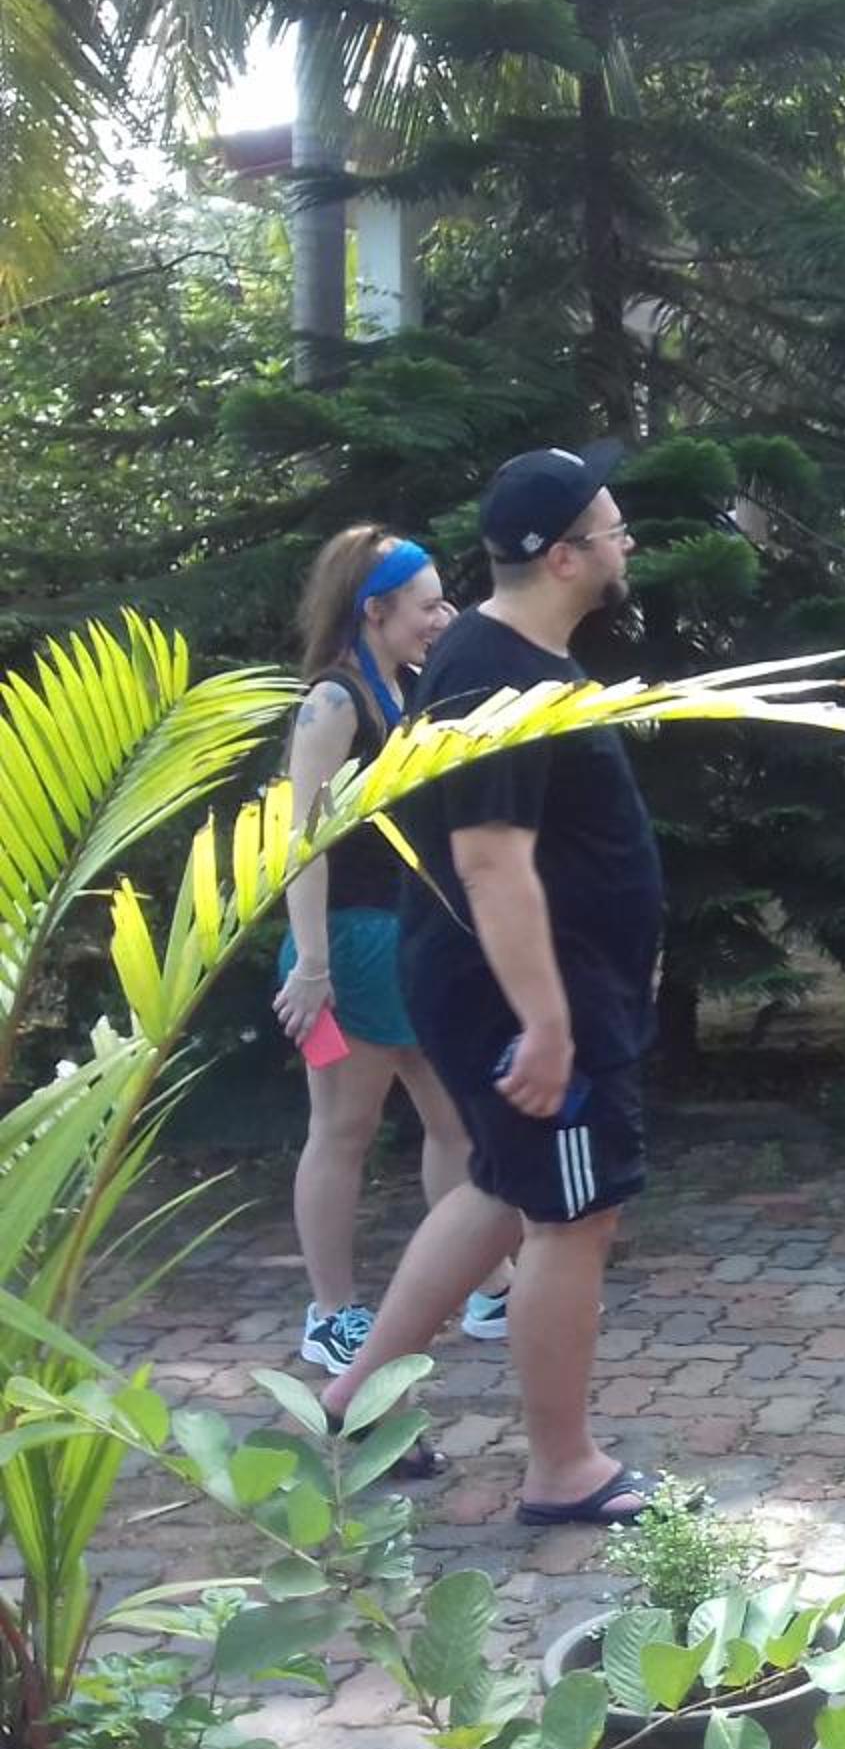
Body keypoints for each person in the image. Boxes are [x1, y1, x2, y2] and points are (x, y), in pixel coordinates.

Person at [322, 445, 665, 1526]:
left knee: (502, 1190)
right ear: (564, 556)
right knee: (573, 1215)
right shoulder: (500, 677)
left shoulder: (505, 653)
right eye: (612, 530)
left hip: (527, 985)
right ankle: (564, 1470)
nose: (626, 545)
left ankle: (356, 1400)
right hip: (527, 996)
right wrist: (548, 1024)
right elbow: (489, 861)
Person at [272, 526, 516, 1372]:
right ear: (375, 610)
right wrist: (313, 966)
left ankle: (487, 1285)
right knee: (344, 1131)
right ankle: (331, 1313)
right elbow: (302, 842)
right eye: (427, 606)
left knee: (455, 1123)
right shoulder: (334, 701)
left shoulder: (408, 687)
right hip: (344, 947)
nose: (441, 618)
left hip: (409, 939)